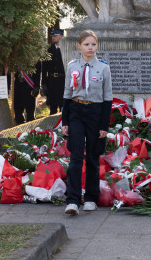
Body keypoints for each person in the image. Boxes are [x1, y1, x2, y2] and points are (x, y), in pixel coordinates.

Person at [62, 30, 112, 216]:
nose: (90, 48)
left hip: (95, 112)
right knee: (75, 156)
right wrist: (65, 120)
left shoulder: (103, 68)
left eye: (93, 44)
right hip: (76, 111)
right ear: (79, 46)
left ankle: (91, 198)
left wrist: (104, 126)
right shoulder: (72, 66)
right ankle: (73, 200)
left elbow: (107, 98)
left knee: (92, 156)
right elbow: (67, 94)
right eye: (86, 44)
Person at [39, 28, 65, 115]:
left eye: (55, 36)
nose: (53, 38)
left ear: (61, 37)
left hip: (63, 82)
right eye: (52, 36)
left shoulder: (66, 50)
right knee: (52, 110)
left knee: (63, 108)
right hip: (52, 82)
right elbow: (44, 69)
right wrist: (44, 84)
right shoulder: (48, 50)